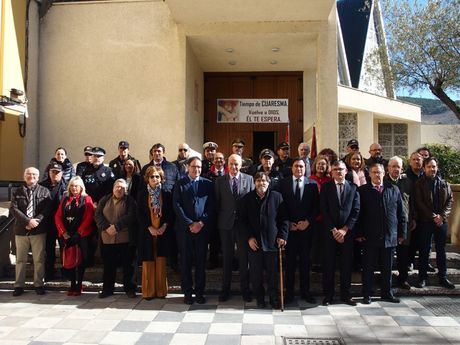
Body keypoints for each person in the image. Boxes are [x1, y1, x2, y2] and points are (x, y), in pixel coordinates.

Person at [356, 163, 406, 304]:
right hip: (369, 236)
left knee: (387, 267)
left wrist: (402, 233)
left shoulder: (393, 189)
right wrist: (359, 233)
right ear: (369, 174)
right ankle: (367, 294)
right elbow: (358, 214)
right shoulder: (363, 191)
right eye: (374, 172)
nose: (377, 175)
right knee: (368, 268)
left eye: (379, 172)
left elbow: (401, 213)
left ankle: (387, 293)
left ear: (384, 173)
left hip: (389, 236)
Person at [240, 172, 289, 309]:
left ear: (269, 183)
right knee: (256, 274)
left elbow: (284, 219)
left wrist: (283, 236)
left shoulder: (277, 197)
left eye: (264, 181)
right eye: (258, 181)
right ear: (254, 183)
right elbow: (243, 221)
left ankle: (273, 298)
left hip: (272, 242)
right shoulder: (247, 198)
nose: (261, 183)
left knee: (273, 274)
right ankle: (260, 298)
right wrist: (249, 237)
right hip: (254, 243)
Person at [173, 157, 214, 304]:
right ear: (188, 167)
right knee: (185, 262)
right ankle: (187, 293)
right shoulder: (180, 184)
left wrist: (201, 223)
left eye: (199, 167)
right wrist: (190, 223)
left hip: (202, 230)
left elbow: (211, 206)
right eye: (193, 166)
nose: (196, 169)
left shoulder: (208, 184)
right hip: (184, 230)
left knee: (201, 262)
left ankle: (199, 293)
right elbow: (177, 206)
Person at [215, 154, 254, 302]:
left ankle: (245, 290)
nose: (234, 167)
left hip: (243, 226)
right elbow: (218, 204)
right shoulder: (220, 181)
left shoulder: (249, 179)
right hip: (225, 225)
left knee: (244, 260)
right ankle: (225, 290)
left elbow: (251, 204)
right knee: (227, 258)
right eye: (231, 164)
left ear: (241, 165)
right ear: (227, 164)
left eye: (236, 164)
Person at [320, 161, 360, 306]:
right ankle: (328, 296)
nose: (338, 171)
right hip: (329, 233)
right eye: (335, 169)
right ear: (331, 171)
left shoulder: (353, 188)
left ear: (346, 171)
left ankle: (346, 295)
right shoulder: (326, 187)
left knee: (346, 265)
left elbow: (356, 211)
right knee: (329, 265)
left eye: (341, 169)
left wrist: (344, 229)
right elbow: (323, 209)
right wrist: (334, 230)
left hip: (347, 234)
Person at [279, 158, 318, 304]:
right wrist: (287, 223)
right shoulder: (283, 183)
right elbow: (280, 206)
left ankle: (305, 292)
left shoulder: (312, 185)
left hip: (306, 231)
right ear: (292, 168)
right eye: (296, 166)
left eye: (301, 166)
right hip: (290, 230)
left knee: (305, 263)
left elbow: (316, 207)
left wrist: (307, 221)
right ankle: (289, 293)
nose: (299, 169)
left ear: (305, 168)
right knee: (289, 264)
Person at [414, 157, 455, 289]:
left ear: (437, 168)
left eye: (434, 167)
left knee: (441, 250)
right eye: (429, 167)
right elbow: (419, 203)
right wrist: (433, 216)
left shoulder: (444, 183)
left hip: (441, 222)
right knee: (424, 250)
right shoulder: (419, 184)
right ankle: (422, 278)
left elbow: (450, 201)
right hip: (426, 222)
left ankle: (443, 277)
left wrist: (442, 216)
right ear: (424, 168)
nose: (432, 169)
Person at [10, 167, 51, 296]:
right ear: (24, 176)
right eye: (28, 174)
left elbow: (47, 210)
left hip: (38, 230)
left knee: (39, 259)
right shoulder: (16, 191)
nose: (31, 176)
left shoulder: (45, 191)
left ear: (38, 177)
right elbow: (13, 209)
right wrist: (27, 222)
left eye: (34, 174)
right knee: (20, 259)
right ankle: (19, 285)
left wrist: (36, 221)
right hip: (21, 230)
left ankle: (38, 284)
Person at [95, 179, 137, 298]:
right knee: (109, 266)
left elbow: (131, 215)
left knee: (128, 266)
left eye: (123, 188)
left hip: (125, 239)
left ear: (126, 190)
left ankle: (129, 289)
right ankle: (107, 289)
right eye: (117, 187)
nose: (120, 189)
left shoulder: (130, 201)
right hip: (107, 238)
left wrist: (117, 226)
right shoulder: (105, 199)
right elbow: (97, 214)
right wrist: (106, 227)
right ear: (113, 188)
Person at [140, 143, 179, 271]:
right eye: (155, 151)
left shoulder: (172, 167)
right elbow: (141, 193)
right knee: (150, 251)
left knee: (168, 245)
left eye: (159, 151)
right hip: (149, 214)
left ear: (163, 152)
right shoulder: (146, 168)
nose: (157, 153)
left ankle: (173, 264)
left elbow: (177, 186)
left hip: (167, 208)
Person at [55, 176, 95, 296]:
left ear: (81, 187)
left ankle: (79, 284)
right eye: (72, 186)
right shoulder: (65, 199)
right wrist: (63, 232)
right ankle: (72, 284)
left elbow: (88, 217)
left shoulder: (86, 199)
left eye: (76, 186)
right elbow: (57, 216)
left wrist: (79, 232)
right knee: (70, 260)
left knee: (80, 261)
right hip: (66, 234)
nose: (74, 188)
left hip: (81, 235)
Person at [137, 167, 173, 299]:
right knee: (148, 261)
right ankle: (148, 292)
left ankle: (161, 291)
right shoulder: (141, 194)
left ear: (161, 178)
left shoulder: (166, 193)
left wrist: (164, 226)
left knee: (161, 261)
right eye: (152, 177)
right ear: (147, 178)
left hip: (162, 231)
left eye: (157, 176)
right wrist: (149, 227)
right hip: (148, 232)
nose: (155, 179)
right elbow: (139, 213)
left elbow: (170, 212)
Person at [384, 156, 414, 289]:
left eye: (398, 167)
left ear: (402, 169)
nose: (396, 169)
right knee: (386, 255)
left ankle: (403, 279)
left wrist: (414, 219)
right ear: (388, 168)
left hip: (404, 222)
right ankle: (386, 281)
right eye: (393, 166)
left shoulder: (407, 182)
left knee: (403, 254)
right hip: (387, 223)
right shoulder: (382, 181)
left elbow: (412, 202)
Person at [39, 163, 67, 281]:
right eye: (53, 172)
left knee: (64, 249)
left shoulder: (67, 187)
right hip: (47, 223)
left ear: (62, 173)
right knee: (49, 250)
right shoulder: (41, 186)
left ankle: (66, 274)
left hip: (62, 223)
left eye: (57, 172)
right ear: (49, 173)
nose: (55, 174)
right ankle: (49, 273)